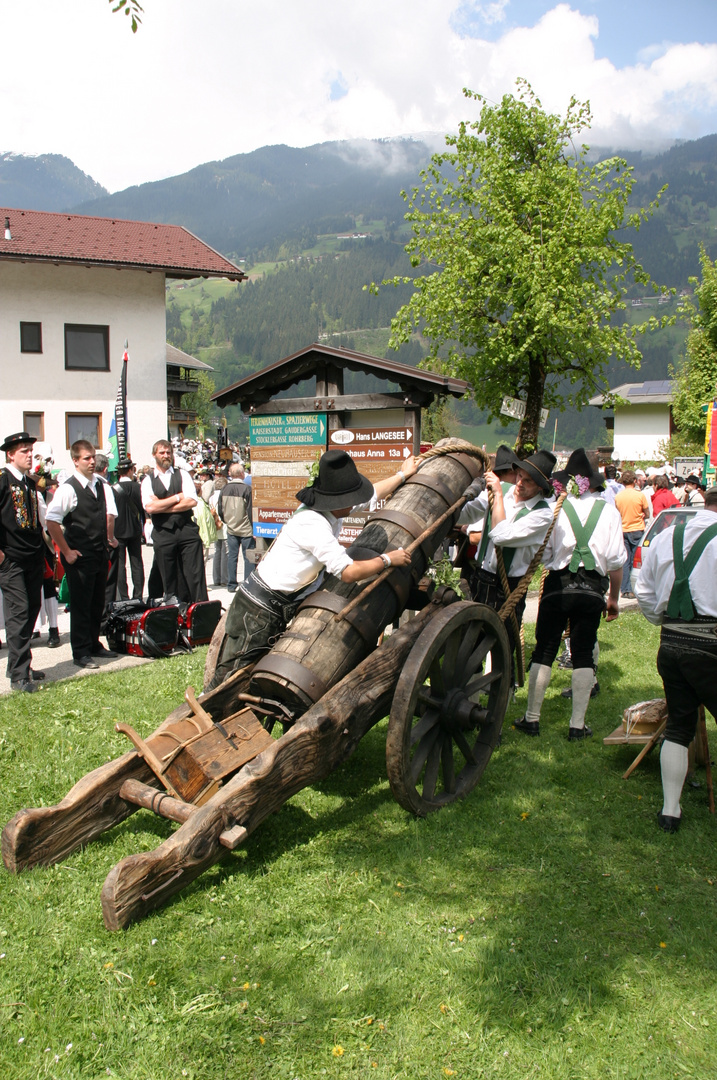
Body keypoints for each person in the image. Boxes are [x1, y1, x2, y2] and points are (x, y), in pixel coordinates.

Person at [207, 449, 414, 689]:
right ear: (336, 500)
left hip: (270, 605)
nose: (354, 502)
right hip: (258, 613)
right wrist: (388, 559)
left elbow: (371, 496)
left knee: (244, 679)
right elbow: (348, 572)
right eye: (350, 497)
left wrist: (402, 475)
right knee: (228, 683)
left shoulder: (329, 511)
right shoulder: (312, 523)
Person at [515, 448, 625, 740]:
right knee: (583, 654)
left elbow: (546, 554)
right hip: (592, 589)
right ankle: (577, 725)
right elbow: (615, 561)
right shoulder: (610, 512)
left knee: (545, 650)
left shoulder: (556, 508)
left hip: (557, 587)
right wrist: (613, 599)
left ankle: (532, 719)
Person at [634, 486, 717, 832]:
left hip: (670, 644)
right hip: (712, 646)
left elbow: (644, 591)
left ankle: (670, 812)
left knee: (680, 726)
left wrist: (662, 619)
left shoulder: (666, 536)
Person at [458, 448, 556, 669]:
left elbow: (501, 536)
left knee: (503, 647)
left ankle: (501, 695)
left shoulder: (542, 514)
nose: (520, 483)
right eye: (519, 475)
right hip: (481, 578)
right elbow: (466, 514)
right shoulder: (505, 489)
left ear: (541, 487)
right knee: (469, 645)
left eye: (528, 481)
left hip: (508, 587)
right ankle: (469, 696)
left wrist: (499, 495)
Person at [46, 440, 119, 669]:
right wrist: (66, 551)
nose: (91, 461)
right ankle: (81, 651)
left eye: (93, 457)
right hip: (79, 556)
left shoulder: (100, 484)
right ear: (75, 460)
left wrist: (108, 541)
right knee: (81, 604)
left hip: (98, 553)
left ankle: (93, 643)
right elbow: (51, 521)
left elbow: (107, 516)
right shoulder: (68, 488)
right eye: (86, 458)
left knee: (98, 602)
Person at [0, 431, 47, 692]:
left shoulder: (30, 482)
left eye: (31, 450)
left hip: (32, 557)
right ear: (11, 454)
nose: (30, 455)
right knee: (18, 613)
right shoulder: (2, 479)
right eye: (24, 451)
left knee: (31, 609)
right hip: (11, 559)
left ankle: (20, 664)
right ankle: (18, 677)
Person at [140, 439, 208, 603]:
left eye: (168, 452)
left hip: (186, 529)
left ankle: (200, 609)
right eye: (162, 453)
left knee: (195, 574)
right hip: (163, 532)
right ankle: (174, 609)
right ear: (154, 455)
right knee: (168, 575)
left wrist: (161, 505)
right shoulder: (148, 480)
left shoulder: (182, 474)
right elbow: (150, 508)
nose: (166, 456)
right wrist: (178, 497)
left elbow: (192, 501)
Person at [112, 458, 145, 600]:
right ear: (131, 470)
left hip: (118, 531)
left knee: (120, 566)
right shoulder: (139, 487)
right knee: (137, 563)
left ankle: (123, 597)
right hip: (135, 530)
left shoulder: (112, 489)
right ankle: (138, 595)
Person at [614, 469, 649, 599]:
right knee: (637, 561)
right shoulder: (640, 496)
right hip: (637, 528)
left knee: (625, 560)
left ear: (623, 482)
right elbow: (647, 512)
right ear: (635, 481)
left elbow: (617, 512)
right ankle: (636, 587)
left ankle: (625, 589)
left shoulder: (618, 496)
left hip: (623, 529)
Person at [219, 462, 255, 590]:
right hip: (246, 529)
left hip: (231, 528)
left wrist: (227, 521)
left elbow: (220, 509)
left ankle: (231, 584)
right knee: (248, 558)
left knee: (232, 557)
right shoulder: (247, 489)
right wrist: (253, 527)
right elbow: (250, 511)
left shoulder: (224, 489)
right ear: (241, 474)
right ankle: (248, 585)